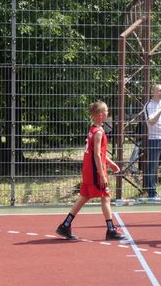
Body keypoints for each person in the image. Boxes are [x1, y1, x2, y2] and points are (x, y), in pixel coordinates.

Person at [56, 101, 125, 240]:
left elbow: (98, 153)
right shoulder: (99, 132)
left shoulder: (92, 129)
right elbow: (97, 154)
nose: (107, 113)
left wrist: (110, 163)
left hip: (88, 170)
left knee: (84, 197)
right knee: (105, 197)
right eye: (106, 111)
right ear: (100, 115)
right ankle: (111, 230)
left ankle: (65, 225)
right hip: (95, 171)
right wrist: (102, 175)